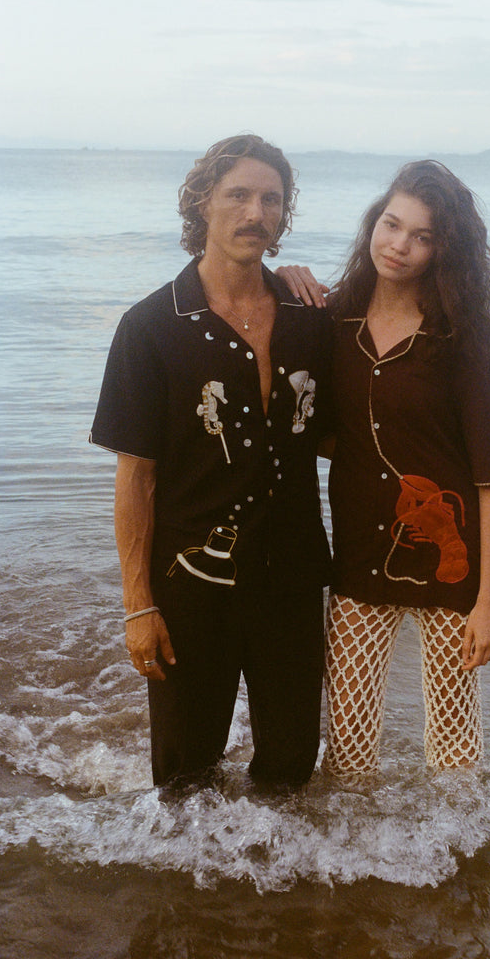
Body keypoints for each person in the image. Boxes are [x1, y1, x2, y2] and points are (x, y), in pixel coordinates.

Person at [91, 135, 333, 789]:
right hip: (191, 584)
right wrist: (138, 604)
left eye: (272, 199)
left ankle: (285, 892)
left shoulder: (309, 319)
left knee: (290, 768)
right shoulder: (151, 327)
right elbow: (135, 476)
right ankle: (183, 894)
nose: (256, 212)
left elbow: (339, 437)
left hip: (292, 579)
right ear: (201, 202)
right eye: (239, 195)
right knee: (184, 774)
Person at [279, 160, 490, 776]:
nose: (400, 245)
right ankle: (353, 862)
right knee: (348, 742)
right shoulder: (335, 321)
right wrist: (278, 278)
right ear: (374, 223)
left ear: (445, 251)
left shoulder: (461, 338)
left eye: (423, 236)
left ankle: (460, 857)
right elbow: (320, 425)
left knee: (453, 741)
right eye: (392, 224)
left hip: (452, 558)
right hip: (362, 551)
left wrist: (488, 599)